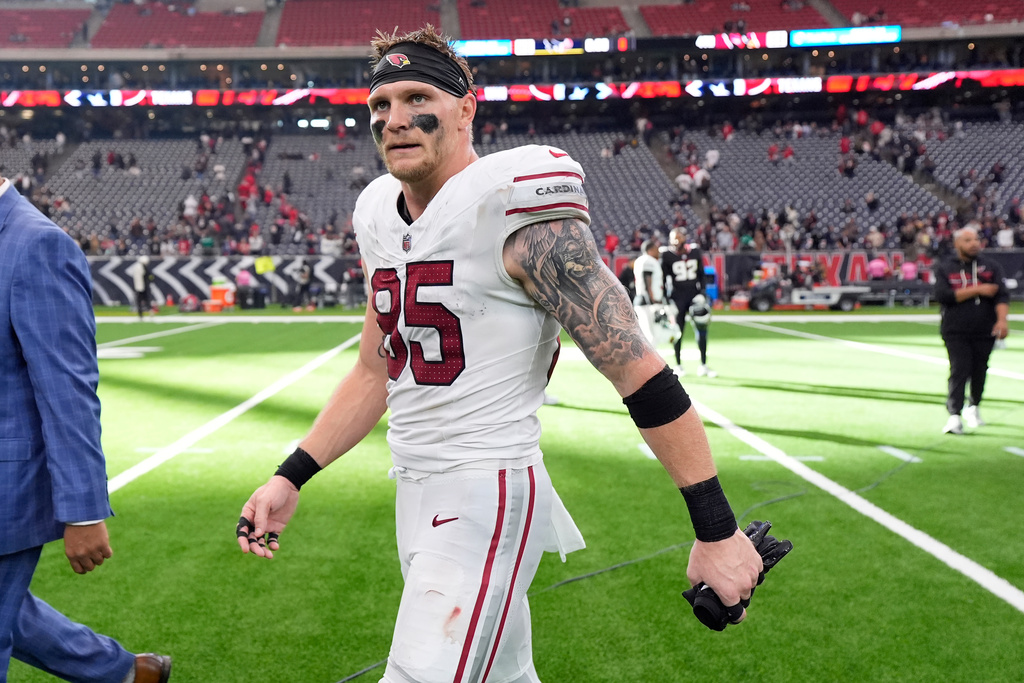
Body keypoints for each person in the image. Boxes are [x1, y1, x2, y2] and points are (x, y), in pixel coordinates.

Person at [234, 26, 762, 683]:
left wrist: (715, 529)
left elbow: (638, 369)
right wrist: (292, 474)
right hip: (416, 489)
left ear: (465, 107)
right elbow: (377, 367)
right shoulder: (377, 213)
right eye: (379, 104)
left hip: (486, 489)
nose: (394, 119)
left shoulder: (519, 209)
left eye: (416, 97)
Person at [0, 177, 172, 682]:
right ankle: (125, 673)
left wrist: (83, 510)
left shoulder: (35, 244)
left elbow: (67, 390)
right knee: (12, 608)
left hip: (6, 488)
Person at [933, 226, 1010, 435]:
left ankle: (974, 406)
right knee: (959, 369)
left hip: (985, 328)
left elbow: (1001, 295)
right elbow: (943, 296)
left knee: (980, 369)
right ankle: (954, 416)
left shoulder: (991, 266)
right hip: (955, 329)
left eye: (976, 239)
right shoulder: (945, 267)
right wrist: (977, 289)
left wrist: (1002, 321)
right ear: (957, 244)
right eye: (968, 240)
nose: (974, 243)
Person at [662, 228, 715, 377]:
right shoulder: (666, 255)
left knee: (702, 328)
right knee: (678, 331)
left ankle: (703, 364)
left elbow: (702, 275)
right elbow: (663, 279)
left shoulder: (695, 251)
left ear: (685, 237)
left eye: (679, 237)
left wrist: (703, 293)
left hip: (694, 295)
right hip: (677, 297)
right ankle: (678, 365)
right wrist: (666, 300)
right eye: (674, 238)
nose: (677, 240)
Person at [632, 238, 665, 345]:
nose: (658, 251)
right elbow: (648, 283)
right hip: (647, 302)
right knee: (651, 336)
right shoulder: (648, 260)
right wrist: (652, 302)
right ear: (650, 250)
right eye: (656, 249)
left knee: (650, 335)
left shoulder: (641, 260)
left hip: (644, 300)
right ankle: (648, 361)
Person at [130, 255, 154, 320]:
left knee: (141, 300)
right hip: (142, 287)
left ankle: (142, 314)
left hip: (140, 287)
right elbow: (148, 276)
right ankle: (145, 313)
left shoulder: (138, 267)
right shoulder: (140, 267)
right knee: (144, 300)